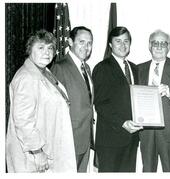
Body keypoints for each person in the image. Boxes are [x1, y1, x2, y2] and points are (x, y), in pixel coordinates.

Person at [6, 29, 76, 172]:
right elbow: (23, 121)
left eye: (50, 48)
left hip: (49, 148)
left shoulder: (44, 71)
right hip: (35, 158)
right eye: (41, 48)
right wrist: (38, 153)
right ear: (29, 50)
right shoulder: (26, 78)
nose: (47, 52)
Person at [138, 30, 170, 172]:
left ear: (169, 47)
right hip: (146, 131)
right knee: (147, 170)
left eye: (163, 43)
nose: (159, 47)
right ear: (150, 46)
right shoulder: (139, 68)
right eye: (156, 43)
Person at [92, 26, 143, 172]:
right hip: (110, 139)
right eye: (118, 41)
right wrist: (122, 123)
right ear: (110, 44)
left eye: (126, 41)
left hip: (132, 138)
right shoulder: (102, 68)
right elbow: (100, 104)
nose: (123, 45)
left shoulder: (134, 68)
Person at [51, 26, 94, 172]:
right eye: (81, 42)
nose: (86, 47)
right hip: (68, 140)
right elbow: (54, 109)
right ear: (70, 41)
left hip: (85, 137)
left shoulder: (87, 68)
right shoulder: (60, 67)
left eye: (89, 43)